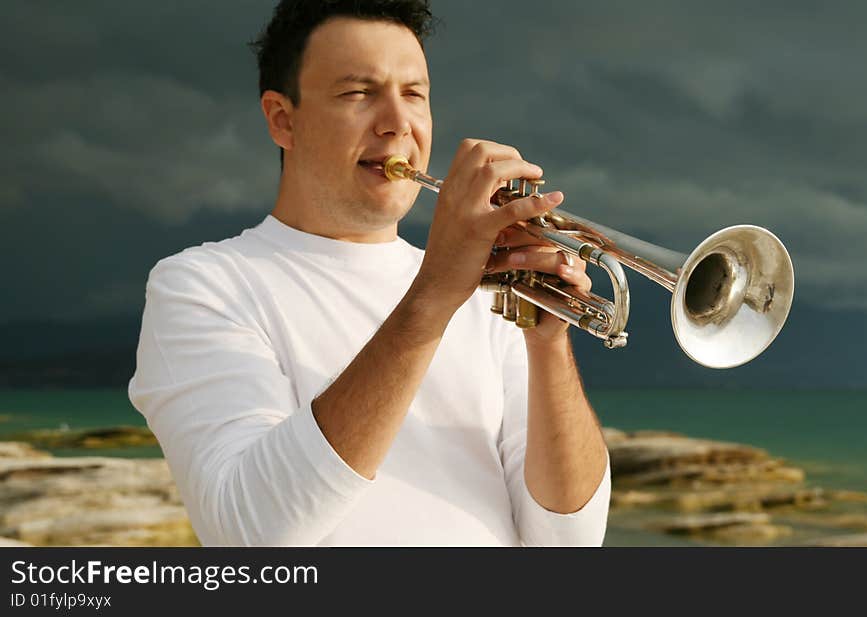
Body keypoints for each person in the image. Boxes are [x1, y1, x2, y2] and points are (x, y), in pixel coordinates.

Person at [128, 0, 611, 546]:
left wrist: (548, 344)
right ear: (282, 119)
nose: (398, 123)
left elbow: (570, 544)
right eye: (359, 93)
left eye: (414, 94)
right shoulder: (202, 286)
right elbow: (254, 534)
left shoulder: (486, 291)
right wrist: (433, 295)